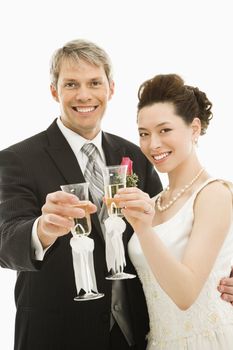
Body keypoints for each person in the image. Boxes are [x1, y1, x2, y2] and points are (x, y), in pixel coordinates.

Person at [0, 39, 163, 350]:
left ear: (111, 89)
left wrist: (218, 274)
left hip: (135, 332)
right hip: (56, 335)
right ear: (54, 91)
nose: (84, 95)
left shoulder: (134, 154)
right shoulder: (16, 159)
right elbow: (5, 239)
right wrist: (42, 230)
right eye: (71, 84)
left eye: (94, 83)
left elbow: (167, 229)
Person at [115, 74, 233, 349]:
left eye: (164, 130)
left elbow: (185, 293)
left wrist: (143, 230)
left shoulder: (213, 193)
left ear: (194, 128)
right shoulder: (154, 202)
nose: (153, 144)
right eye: (144, 134)